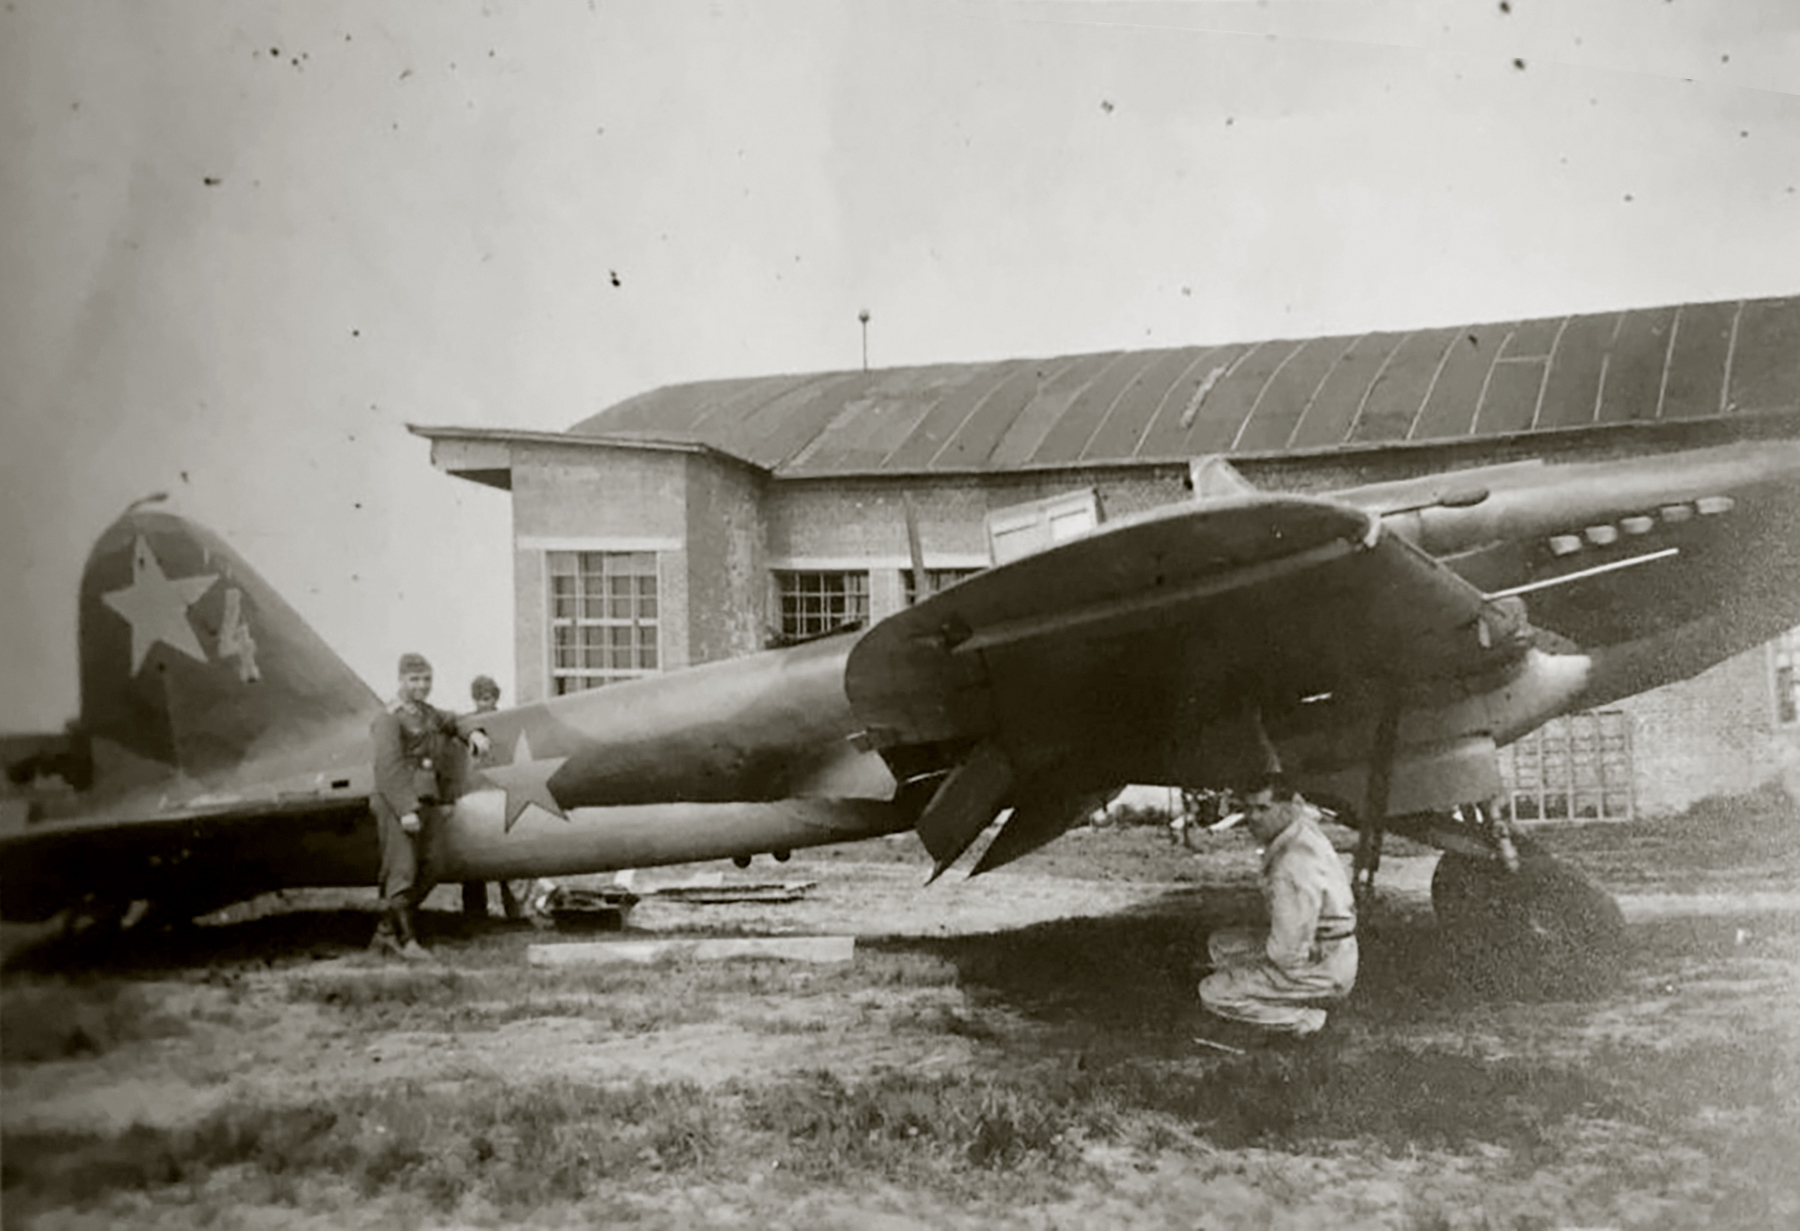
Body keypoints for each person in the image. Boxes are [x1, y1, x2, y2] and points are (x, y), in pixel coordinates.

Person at [1197, 773, 1357, 1040]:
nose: (1253, 817)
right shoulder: (1300, 829)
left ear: (1287, 808)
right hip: (1331, 949)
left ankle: (1307, 1020)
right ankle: (1269, 989)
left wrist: (1244, 969)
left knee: (1213, 990)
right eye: (1248, 808)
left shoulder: (1292, 866)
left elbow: (1287, 955)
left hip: (1323, 968)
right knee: (1220, 945)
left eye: (1263, 808)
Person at [369, 652, 490, 959]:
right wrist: (405, 809)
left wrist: (474, 733)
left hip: (428, 798)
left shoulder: (428, 713)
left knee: (435, 864)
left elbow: (454, 720)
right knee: (402, 869)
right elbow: (388, 767)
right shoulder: (389, 718)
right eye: (414, 680)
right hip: (398, 802)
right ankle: (406, 941)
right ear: (401, 680)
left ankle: (386, 930)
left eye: (426, 679)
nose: (421, 685)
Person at [460, 675, 504, 919]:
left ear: (496, 697)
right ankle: (475, 912)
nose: (484, 703)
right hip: (475, 794)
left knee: (510, 857)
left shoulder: (508, 721)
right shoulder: (468, 726)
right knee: (473, 858)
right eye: (480, 698)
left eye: (488, 698)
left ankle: (517, 911)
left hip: (502, 794)